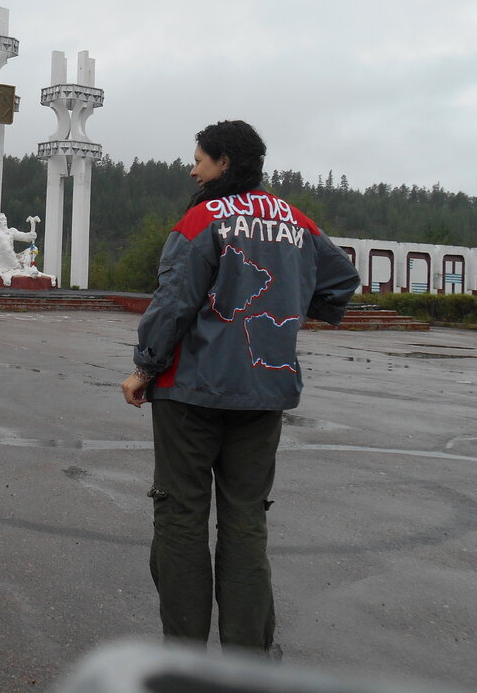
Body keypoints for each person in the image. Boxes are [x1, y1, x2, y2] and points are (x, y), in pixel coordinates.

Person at [120, 119, 358, 655]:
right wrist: (291, 306)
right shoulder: (297, 221)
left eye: (200, 159)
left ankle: (183, 659)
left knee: (181, 517)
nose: (192, 168)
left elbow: (175, 300)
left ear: (224, 162)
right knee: (246, 520)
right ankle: (247, 661)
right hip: (265, 391)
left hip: (190, 393)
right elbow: (342, 280)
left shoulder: (202, 218)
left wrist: (145, 366)